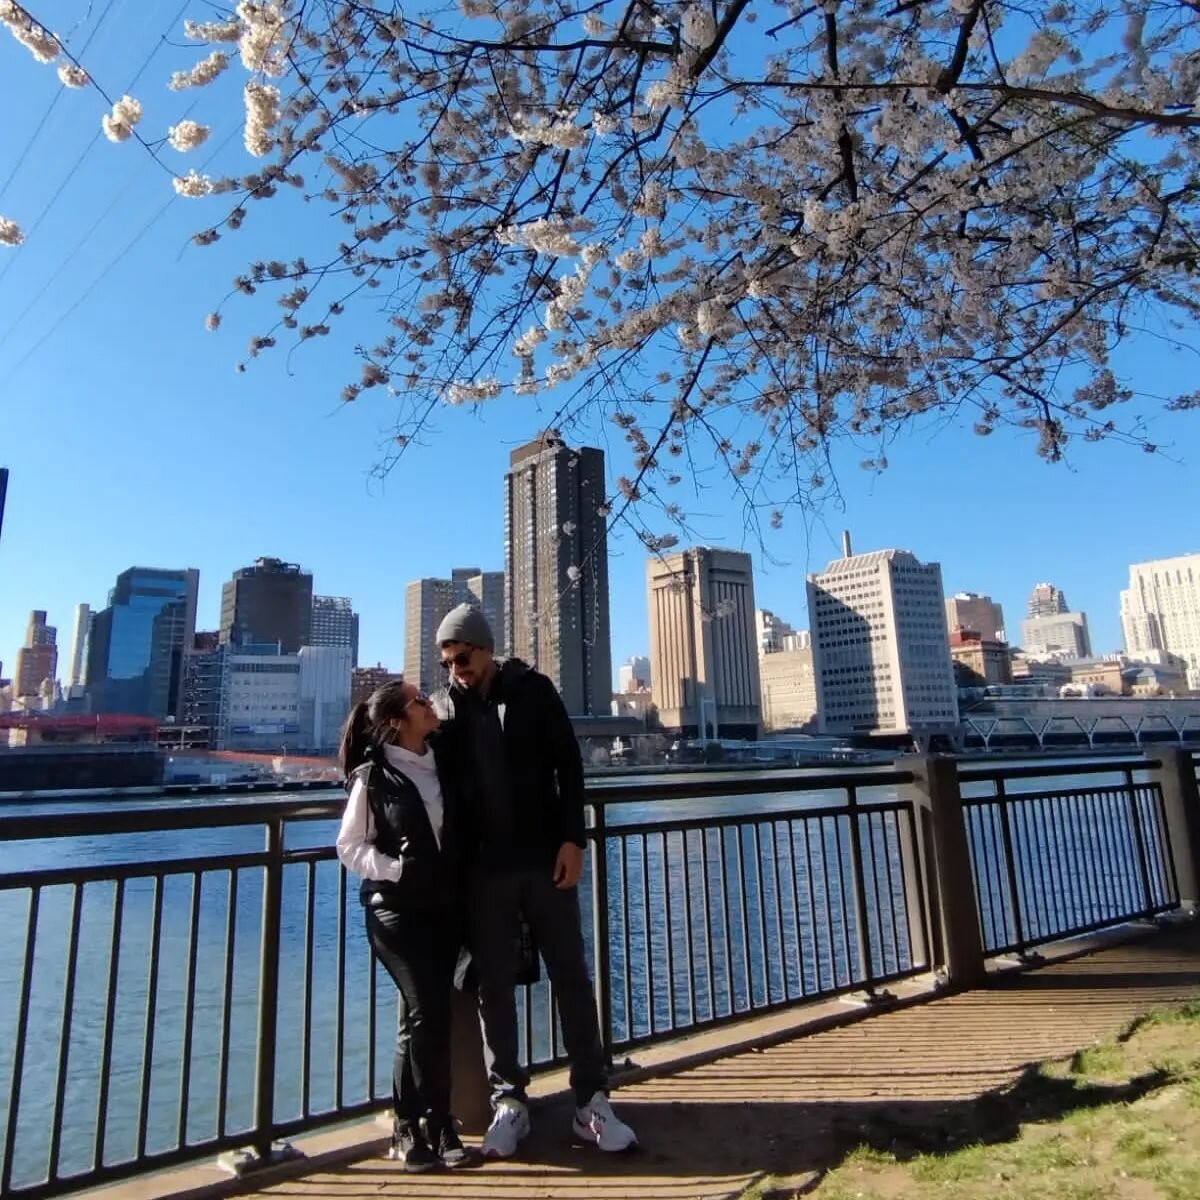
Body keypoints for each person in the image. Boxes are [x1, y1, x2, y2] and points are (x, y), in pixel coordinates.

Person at [433, 603, 638, 1158]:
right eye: (448, 662)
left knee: (571, 975)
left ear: (485, 648)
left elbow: (569, 767)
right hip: (483, 873)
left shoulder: (533, 691)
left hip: (546, 860)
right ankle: (510, 1102)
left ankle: (592, 1100)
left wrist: (573, 840)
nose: (457, 670)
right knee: (492, 988)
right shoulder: (444, 709)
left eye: (464, 657)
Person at [335, 679, 478, 1172]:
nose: (428, 703)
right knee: (429, 1012)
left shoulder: (442, 761)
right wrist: (397, 869)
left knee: (420, 1017)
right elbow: (349, 846)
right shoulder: (373, 778)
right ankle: (433, 1124)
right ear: (398, 721)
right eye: (419, 701)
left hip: (443, 907)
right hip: (394, 911)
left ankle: (410, 1123)